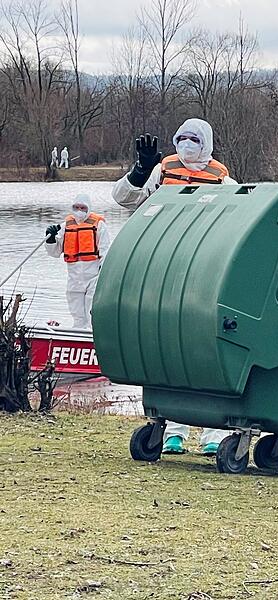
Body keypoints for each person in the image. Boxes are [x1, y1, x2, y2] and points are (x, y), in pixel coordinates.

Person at [112, 118, 234, 455]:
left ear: (207, 143)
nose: (187, 144)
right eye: (181, 138)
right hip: (163, 265)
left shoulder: (223, 179)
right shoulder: (162, 170)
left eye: (194, 139)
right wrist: (139, 171)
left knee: (204, 350)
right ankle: (171, 430)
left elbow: (239, 218)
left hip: (203, 268)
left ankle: (212, 433)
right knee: (166, 347)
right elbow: (124, 199)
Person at [44, 194, 110, 329]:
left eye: (83, 207)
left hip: (93, 276)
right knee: (77, 312)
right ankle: (78, 332)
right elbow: (54, 252)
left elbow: (105, 250)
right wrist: (50, 239)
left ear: (88, 208)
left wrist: (103, 272)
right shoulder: (65, 226)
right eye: (76, 207)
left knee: (92, 311)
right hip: (74, 277)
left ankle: (92, 334)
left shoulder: (99, 225)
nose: (79, 210)